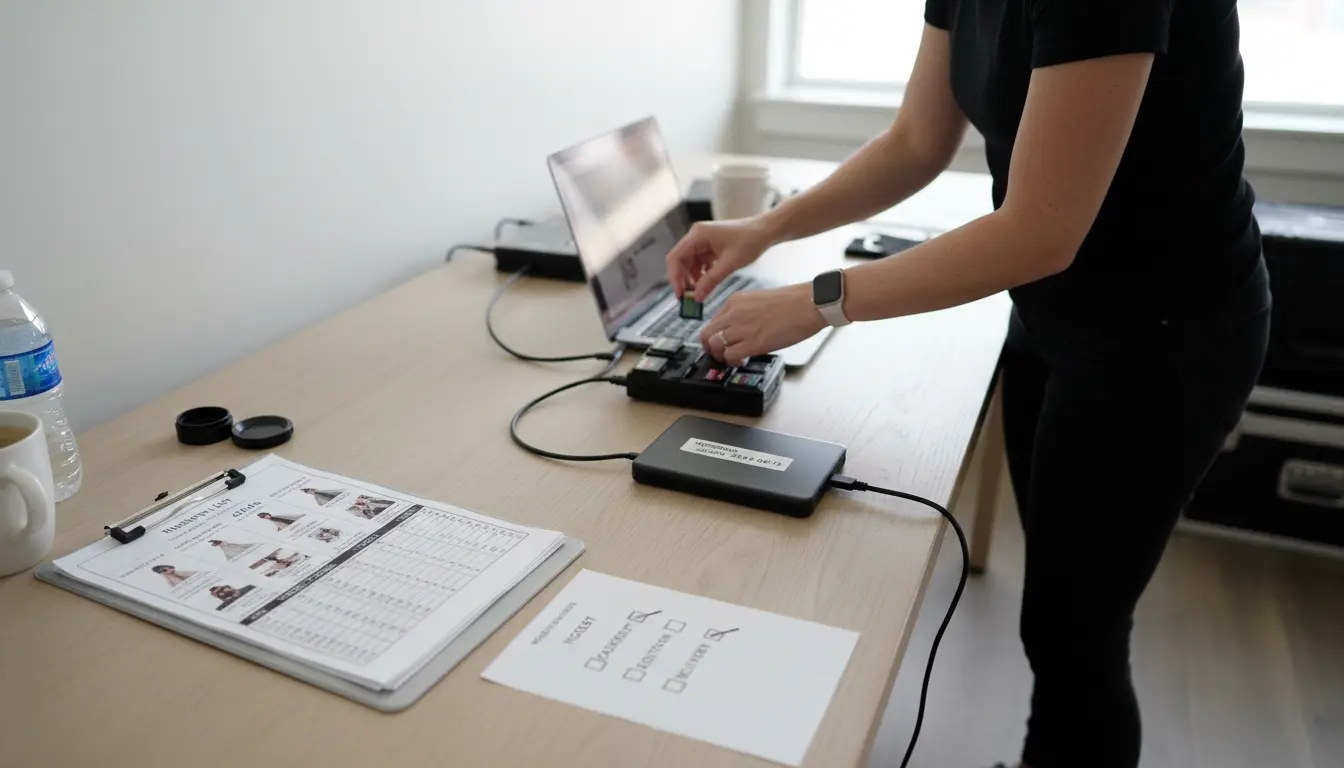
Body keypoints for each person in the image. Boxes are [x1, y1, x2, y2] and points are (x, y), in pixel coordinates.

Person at [665, 2, 1269, 765]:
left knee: (1074, 629)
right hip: (1054, 314)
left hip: (1166, 336)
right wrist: (765, 229)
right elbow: (915, 143)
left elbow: (1041, 230)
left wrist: (817, 301)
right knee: (1059, 612)